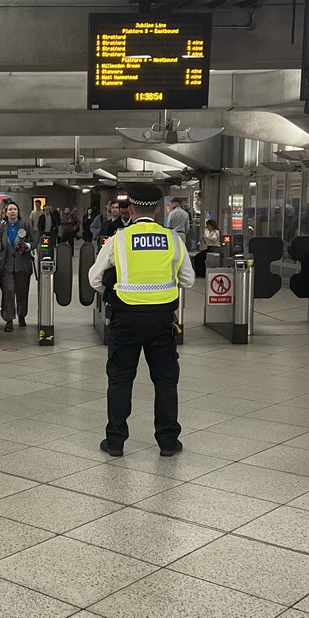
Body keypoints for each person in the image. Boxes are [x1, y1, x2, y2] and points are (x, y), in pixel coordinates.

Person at [88, 181, 195, 458]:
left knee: (121, 379)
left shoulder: (119, 239)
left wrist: (117, 289)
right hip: (162, 321)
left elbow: (94, 279)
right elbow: (188, 279)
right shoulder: (172, 239)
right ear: (158, 209)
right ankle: (168, 442)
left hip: (126, 319)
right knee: (166, 380)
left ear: (131, 209)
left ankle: (115, 442)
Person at [0, 201, 35, 332]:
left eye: (15, 209)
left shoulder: (25, 225)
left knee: (22, 292)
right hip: (6, 265)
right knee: (9, 292)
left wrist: (27, 246)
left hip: (22, 265)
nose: (12, 211)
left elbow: (34, 242)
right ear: (6, 213)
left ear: (18, 212)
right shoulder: (1, 226)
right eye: (10, 209)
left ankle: (22, 315)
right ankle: (9, 319)